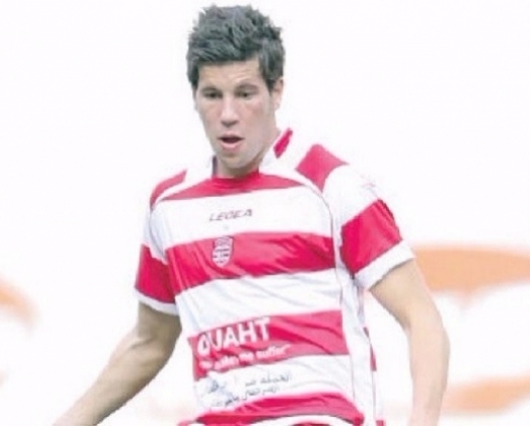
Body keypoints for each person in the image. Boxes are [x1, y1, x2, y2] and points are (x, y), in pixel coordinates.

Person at [53, 4, 449, 426]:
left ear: (276, 91)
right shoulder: (170, 207)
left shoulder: (332, 187)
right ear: (194, 96)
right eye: (212, 95)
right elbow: (150, 342)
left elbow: (421, 318)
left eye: (245, 94)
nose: (228, 114)